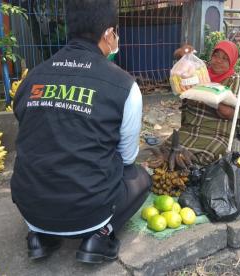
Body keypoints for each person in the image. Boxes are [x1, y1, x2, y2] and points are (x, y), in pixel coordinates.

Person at [10, 0, 151, 264]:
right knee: (139, 177)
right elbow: (127, 157)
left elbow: (32, 135)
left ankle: (39, 237)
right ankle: (99, 236)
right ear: (109, 34)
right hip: (90, 211)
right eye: (116, 33)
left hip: (29, 206)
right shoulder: (124, 85)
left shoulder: (32, 78)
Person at [174, 41, 240, 166]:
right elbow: (178, 56)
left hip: (216, 134)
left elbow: (229, 114)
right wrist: (184, 54)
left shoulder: (236, 82)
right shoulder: (199, 72)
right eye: (216, 55)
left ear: (232, 62)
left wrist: (206, 96)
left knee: (198, 161)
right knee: (168, 152)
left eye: (225, 58)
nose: (218, 60)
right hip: (189, 129)